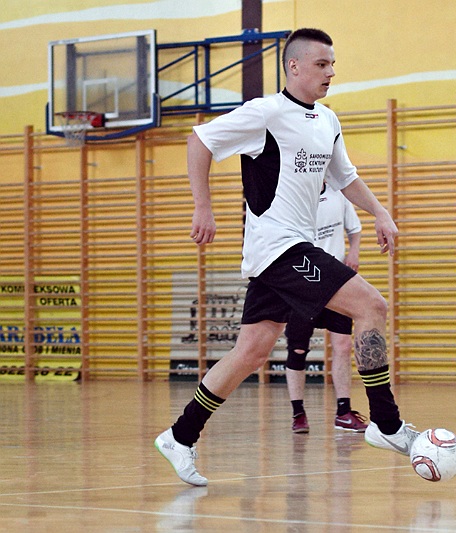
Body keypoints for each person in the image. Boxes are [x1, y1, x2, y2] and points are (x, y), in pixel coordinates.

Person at [154, 28, 418, 487]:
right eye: (321, 64)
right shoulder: (266, 113)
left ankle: (180, 435)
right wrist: (203, 206)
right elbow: (199, 141)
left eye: (333, 65)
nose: (330, 72)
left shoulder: (327, 121)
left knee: (251, 351)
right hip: (279, 248)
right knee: (371, 306)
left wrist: (379, 212)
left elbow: (344, 176)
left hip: (289, 249)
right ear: (293, 66)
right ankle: (387, 423)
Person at [286, 182, 367, 434]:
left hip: (335, 279)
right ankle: (298, 413)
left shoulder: (338, 193)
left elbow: (354, 228)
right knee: (298, 349)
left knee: (343, 345)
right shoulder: (295, 194)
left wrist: (354, 252)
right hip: (302, 280)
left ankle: (344, 411)